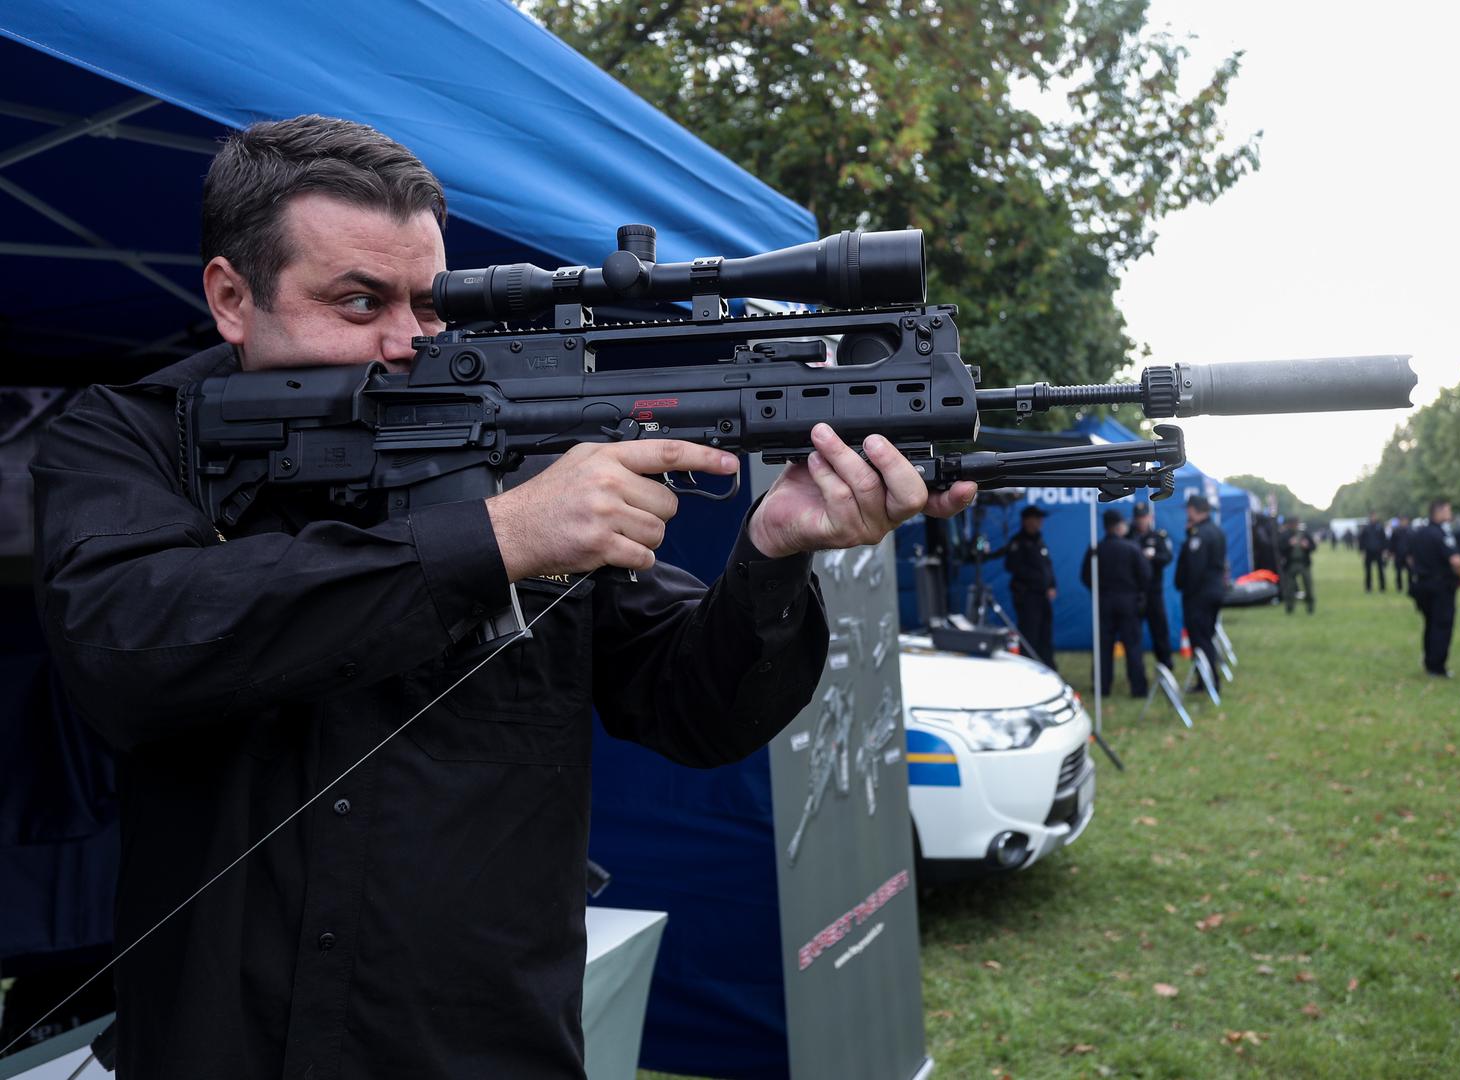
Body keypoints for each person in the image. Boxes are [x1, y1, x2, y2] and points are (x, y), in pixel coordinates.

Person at [28, 116, 976, 1080]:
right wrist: (497, 540)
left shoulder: (522, 458)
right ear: (232, 297)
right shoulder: (129, 442)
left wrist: (772, 556)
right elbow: (126, 638)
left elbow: (696, 710)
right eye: (358, 302)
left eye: (430, 303)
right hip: (213, 1048)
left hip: (477, 1051)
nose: (407, 341)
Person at [1082, 508, 1152, 697]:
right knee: (1133, 646)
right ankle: (1138, 688)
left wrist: (1100, 590)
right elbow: (1146, 575)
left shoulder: (1096, 549)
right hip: (1128, 603)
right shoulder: (1131, 548)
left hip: (1104, 602)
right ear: (1119, 526)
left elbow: (1086, 576)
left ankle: (1102, 687)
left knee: (1103, 647)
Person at [1174, 494, 1227, 693]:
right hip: (1213, 592)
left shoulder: (1200, 535)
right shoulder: (1216, 530)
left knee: (1200, 639)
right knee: (1206, 636)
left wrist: (1187, 590)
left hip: (1199, 595)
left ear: (1194, 510)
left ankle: (1209, 681)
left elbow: (1195, 569)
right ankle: (1206, 680)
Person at [1407, 499, 1460, 677]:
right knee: (1442, 625)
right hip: (1441, 586)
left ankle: (1429, 661)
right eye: (1448, 510)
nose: (1450, 514)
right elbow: (1456, 561)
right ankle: (1437, 666)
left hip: (1421, 584)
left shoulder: (1419, 532)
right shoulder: (1442, 534)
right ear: (1438, 512)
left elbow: (1410, 558)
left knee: (1430, 624)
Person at [1000, 505, 1058, 667]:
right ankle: (1029, 667)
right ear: (1027, 520)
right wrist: (1037, 580)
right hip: (1028, 597)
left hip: (1043, 597)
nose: (1040, 522)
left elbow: (1047, 566)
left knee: (1045, 635)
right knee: (1029, 636)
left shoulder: (1039, 541)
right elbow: (1013, 566)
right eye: (1036, 518)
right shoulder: (1018, 542)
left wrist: (1051, 584)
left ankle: (1048, 667)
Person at [1129, 501, 1175, 671]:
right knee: (1133, 633)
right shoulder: (1129, 537)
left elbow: (1167, 557)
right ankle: (1136, 671)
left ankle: (1165, 665)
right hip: (1135, 592)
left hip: (1154, 592)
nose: (1141, 521)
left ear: (1150, 517)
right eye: (1138, 518)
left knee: (1160, 630)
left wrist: (1153, 557)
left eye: (1144, 517)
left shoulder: (1158, 536)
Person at [1281, 518, 1316, 614]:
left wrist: (1307, 546)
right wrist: (1289, 544)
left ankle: (1310, 607)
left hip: (1303, 563)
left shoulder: (1304, 534)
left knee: (1308, 586)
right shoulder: (1286, 535)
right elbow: (1280, 548)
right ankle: (1289, 607)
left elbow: (1313, 547)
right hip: (1291, 564)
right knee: (1289, 587)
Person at [1359, 512, 1389, 592]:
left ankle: (1382, 587)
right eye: (1372, 516)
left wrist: (1385, 550)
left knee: (1380, 570)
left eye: (1375, 516)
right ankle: (1368, 588)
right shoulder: (1366, 528)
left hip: (1378, 551)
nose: (1374, 518)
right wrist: (1362, 551)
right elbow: (1361, 540)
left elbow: (1384, 539)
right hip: (1368, 551)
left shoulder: (1380, 527)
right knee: (1368, 571)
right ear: (1370, 517)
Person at [1388, 515, 1411, 593]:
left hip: (1408, 555)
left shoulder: (1410, 531)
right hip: (1398, 554)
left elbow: (1414, 543)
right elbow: (1392, 543)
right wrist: (1391, 553)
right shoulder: (1396, 531)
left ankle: (1410, 586)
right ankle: (1399, 587)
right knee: (1398, 572)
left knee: (1410, 572)